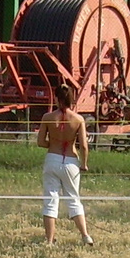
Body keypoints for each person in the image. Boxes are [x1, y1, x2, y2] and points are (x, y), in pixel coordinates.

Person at [35, 83, 94, 246]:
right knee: (74, 199)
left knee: (50, 199)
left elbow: (40, 142)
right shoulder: (78, 119)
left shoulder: (47, 117)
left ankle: (49, 240)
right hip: (71, 160)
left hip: (52, 159)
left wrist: (54, 144)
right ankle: (85, 235)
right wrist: (84, 163)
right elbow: (83, 145)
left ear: (56, 98)